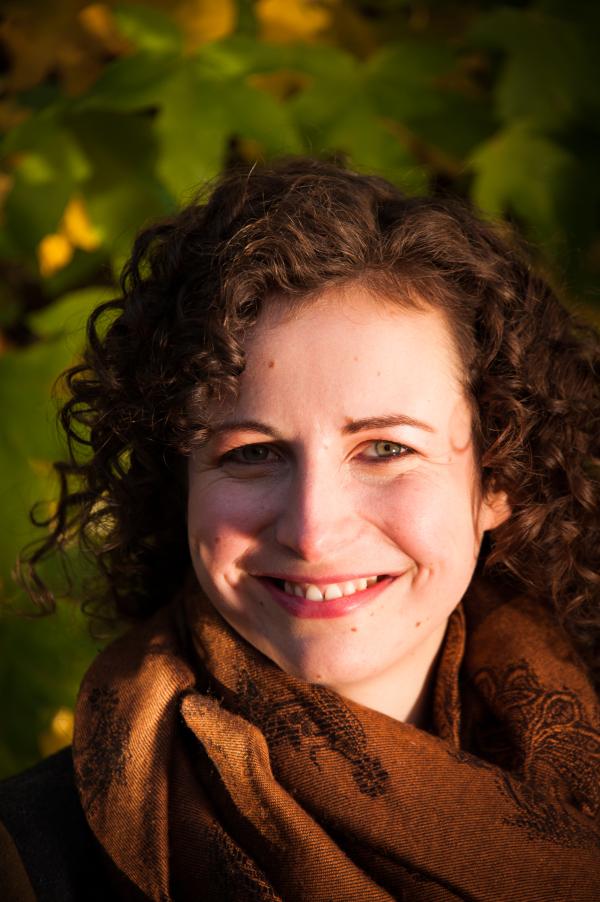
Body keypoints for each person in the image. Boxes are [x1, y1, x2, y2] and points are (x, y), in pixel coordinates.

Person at [1, 157, 599, 901]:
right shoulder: (29, 859)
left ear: (501, 476)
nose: (313, 530)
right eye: (251, 453)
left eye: (386, 449)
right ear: (179, 479)